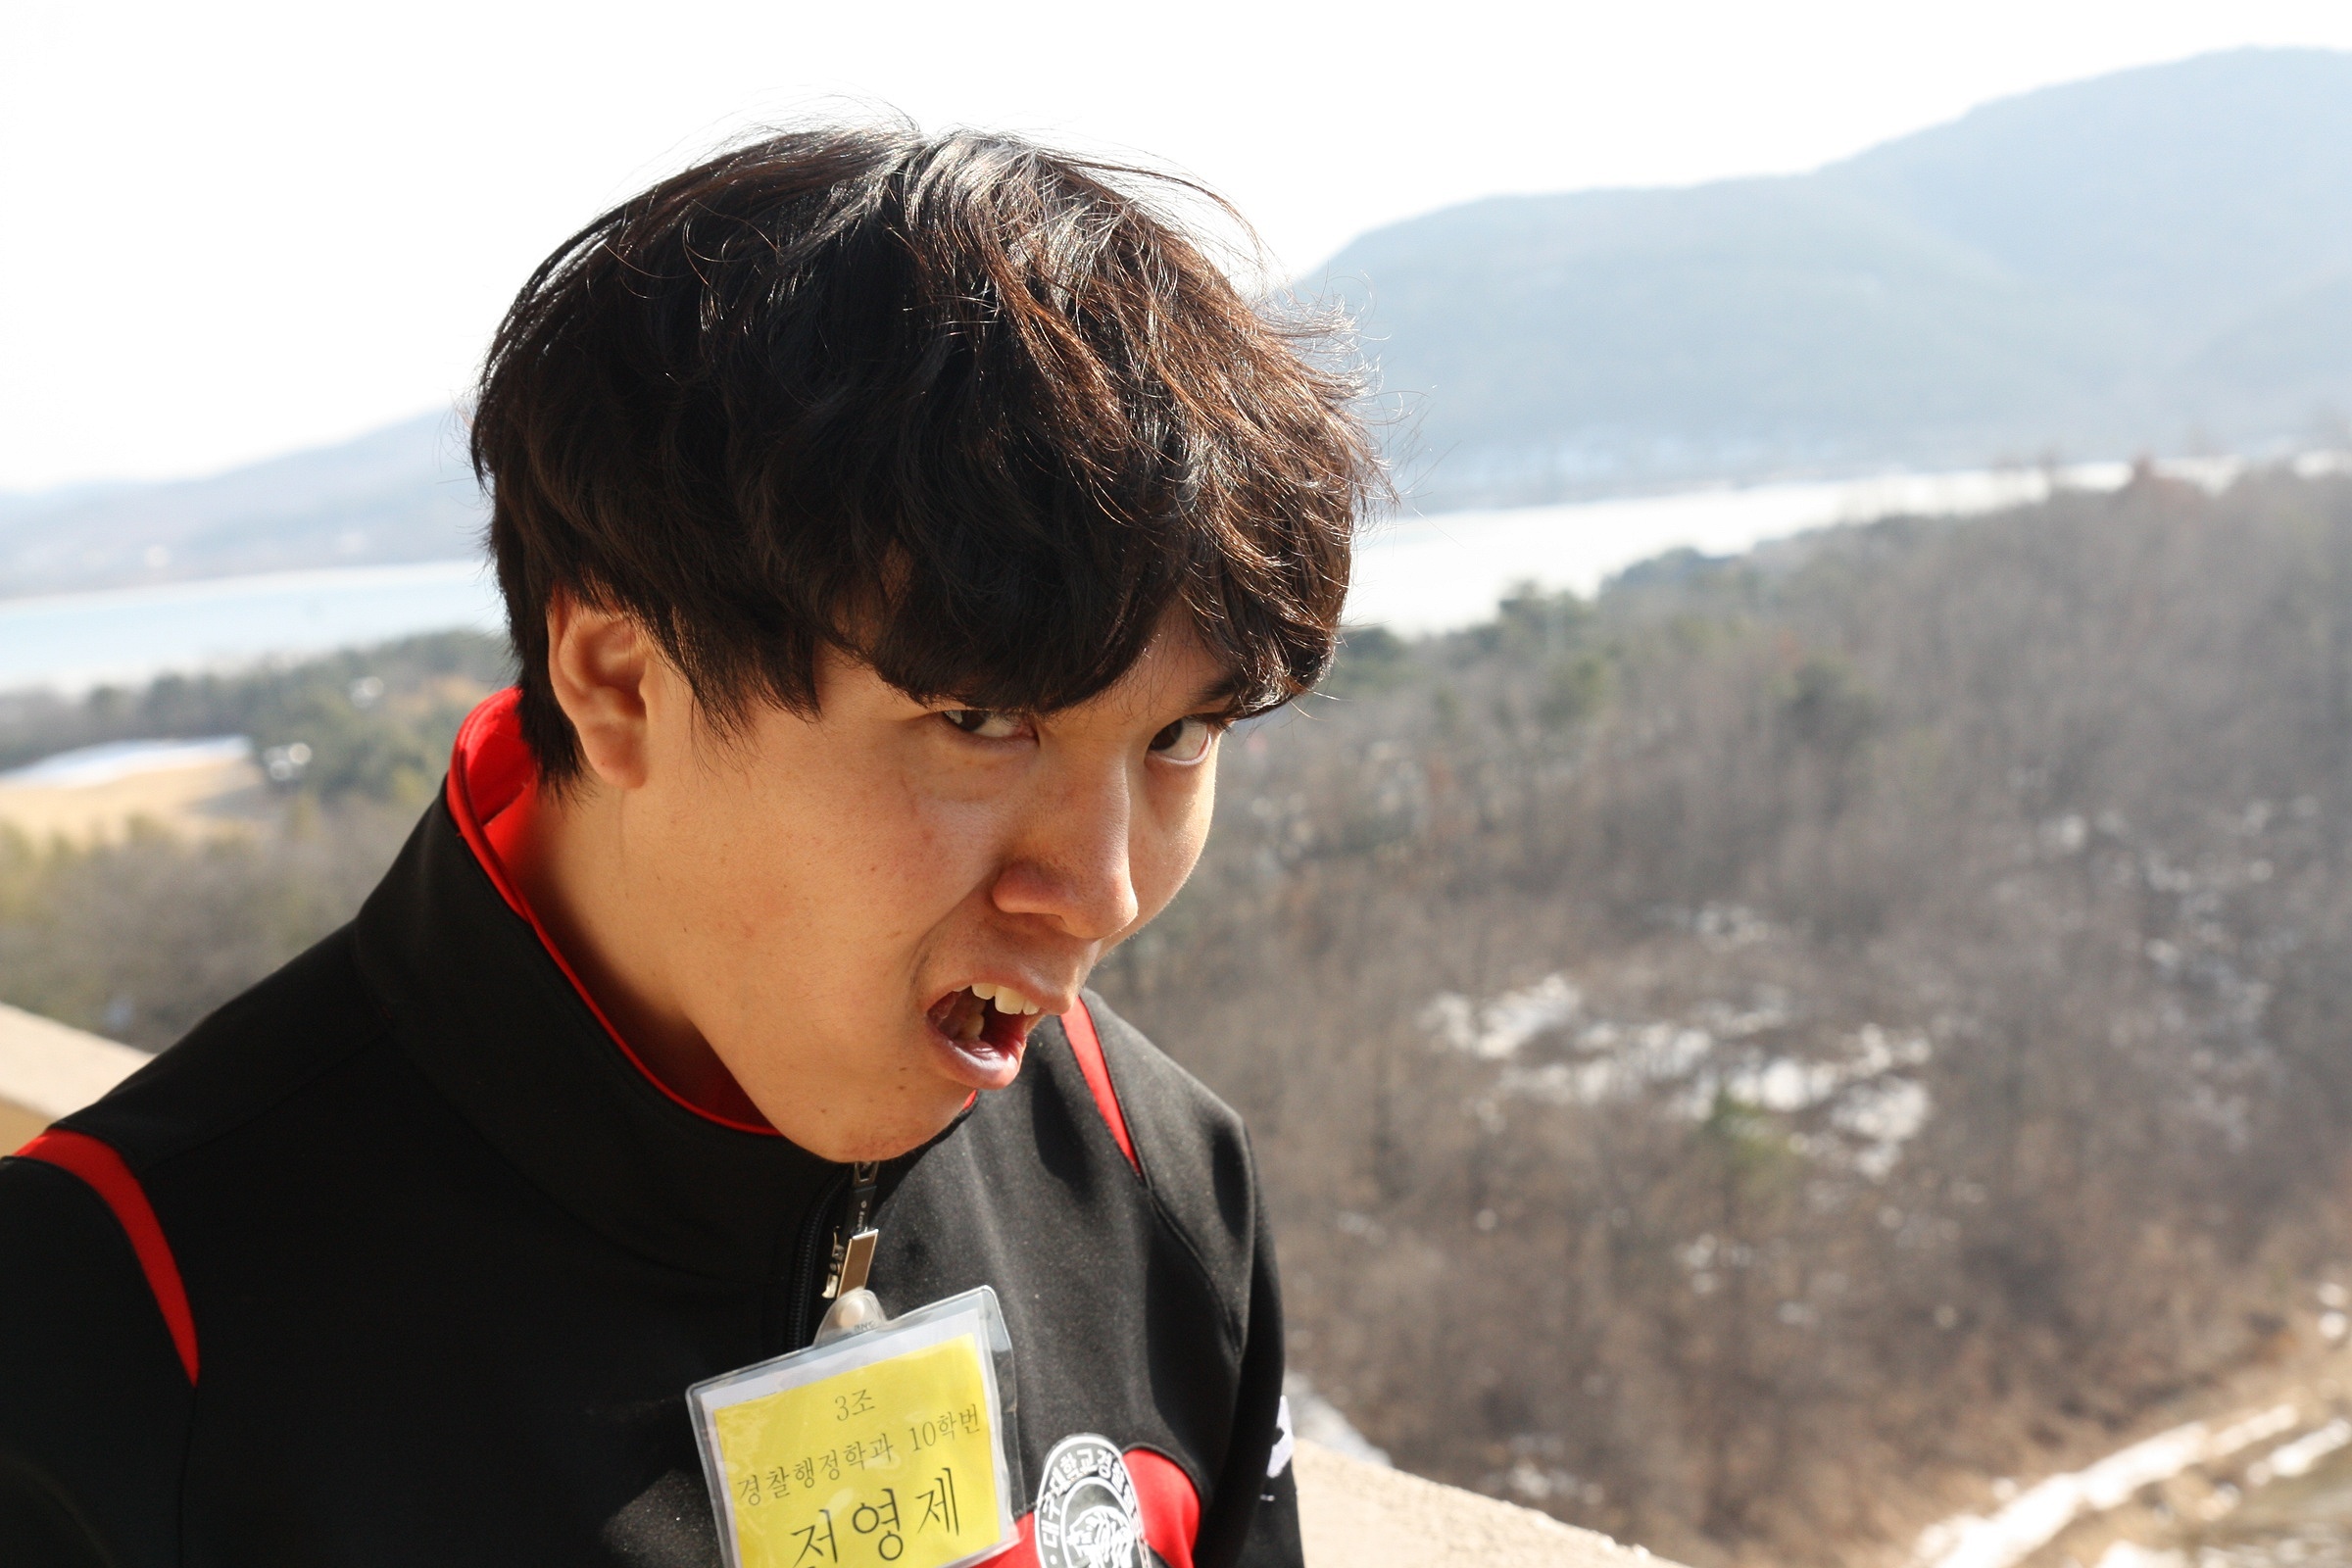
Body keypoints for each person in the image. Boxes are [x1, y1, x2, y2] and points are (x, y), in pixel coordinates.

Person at [0, 124, 1376, 1567]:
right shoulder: (112, 1334)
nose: (1101, 892)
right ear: (618, 682)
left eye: (1181, 738)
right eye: (979, 721)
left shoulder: (1157, 1174)